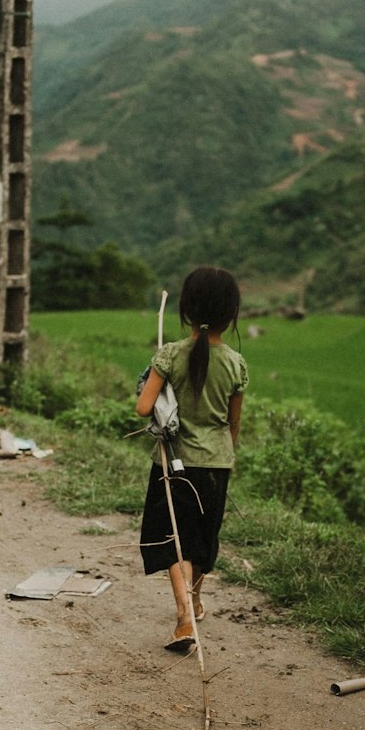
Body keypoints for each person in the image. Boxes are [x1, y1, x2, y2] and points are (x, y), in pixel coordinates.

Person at [136, 266, 247, 652]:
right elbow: (233, 424)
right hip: (217, 463)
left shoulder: (168, 355)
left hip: (173, 463)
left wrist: (152, 379)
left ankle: (184, 616)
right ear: (231, 313)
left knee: (174, 538)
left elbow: (143, 407)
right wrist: (221, 448)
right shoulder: (235, 363)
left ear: (186, 309)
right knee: (201, 539)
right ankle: (196, 600)